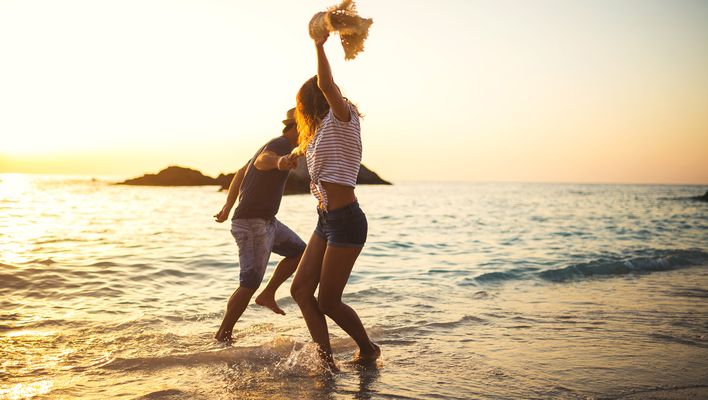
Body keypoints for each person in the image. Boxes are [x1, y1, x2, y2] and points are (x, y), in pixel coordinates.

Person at [290, 32, 380, 370]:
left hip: (347, 220)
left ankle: (368, 348)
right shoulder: (319, 132)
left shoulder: (343, 117)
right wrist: (289, 158)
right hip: (325, 221)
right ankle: (326, 361)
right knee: (301, 290)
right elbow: (313, 156)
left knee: (328, 300)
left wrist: (318, 45)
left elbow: (327, 85)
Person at [213, 108, 305, 342]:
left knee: (299, 252)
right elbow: (265, 162)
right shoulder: (281, 144)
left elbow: (241, 173)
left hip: (267, 221)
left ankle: (268, 293)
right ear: (299, 125)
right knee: (249, 282)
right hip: (252, 223)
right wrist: (281, 161)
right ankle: (223, 335)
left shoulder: (272, 145)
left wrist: (227, 206)